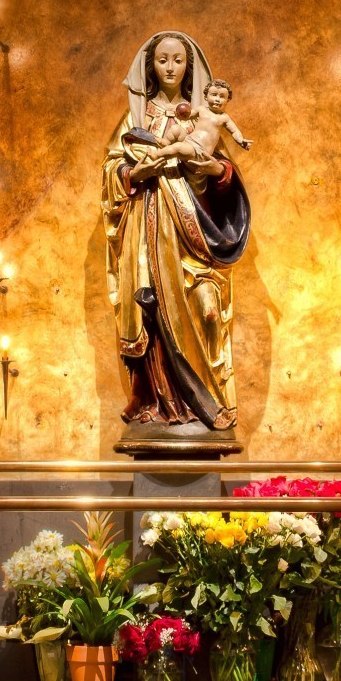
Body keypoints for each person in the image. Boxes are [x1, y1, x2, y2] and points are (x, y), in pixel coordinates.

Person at [100, 31, 251, 430]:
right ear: (151, 65)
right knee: (147, 309)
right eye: (162, 60)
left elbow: (222, 171)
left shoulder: (203, 113)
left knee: (203, 310)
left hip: (189, 232)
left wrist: (214, 170)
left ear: (190, 66)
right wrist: (134, 172)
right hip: (143, 229)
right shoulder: (135, 116)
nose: (170, 67)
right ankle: (152, 401)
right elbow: (111, 171)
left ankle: (199, 406)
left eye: (178, 60)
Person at [139, 78, 251, 165]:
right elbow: (188, 115)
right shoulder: (201, 109)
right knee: (176, 129)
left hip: (200, 151)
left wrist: (241, 140)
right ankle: (166, 143)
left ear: (228, 100)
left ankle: (157, 155)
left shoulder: (224, 118)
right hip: (189, 140)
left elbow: (234, 131)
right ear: (206, 97)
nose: (217, 99)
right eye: (214, 95)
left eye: (222, 96)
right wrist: (182, 114)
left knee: (177, 147)